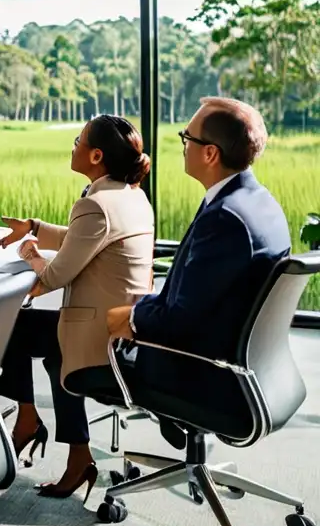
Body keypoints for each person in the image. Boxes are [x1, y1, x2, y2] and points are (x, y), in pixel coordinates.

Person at [0, 115, 154, 500]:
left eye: (78, 139)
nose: (73, 144)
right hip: (122, 330)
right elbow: (84, 238)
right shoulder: (129, 195)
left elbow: (54, 276)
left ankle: (27, 422)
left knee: (8, 327)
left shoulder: (96, 204)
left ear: (96, 155)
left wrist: (30, 252)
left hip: (98, 339)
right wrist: (35, 226)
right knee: (50, 353)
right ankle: (75, 454)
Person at [106, 97, 290, 409]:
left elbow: (179, 321)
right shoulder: (258, 201)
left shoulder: (226, 217)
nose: (182, 144)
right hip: (244, 367)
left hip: (201, 375)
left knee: (74, 353)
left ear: (210, 153)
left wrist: (129, 316)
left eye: (187, 137)